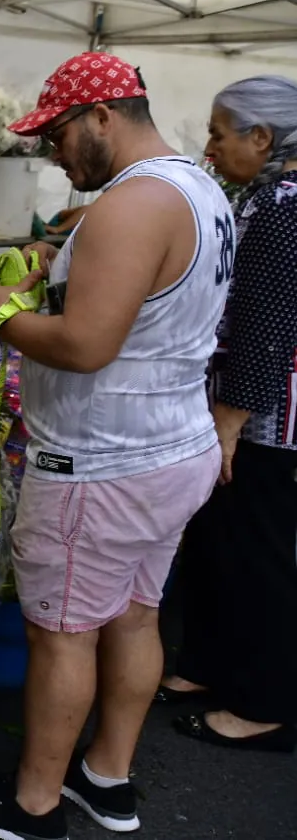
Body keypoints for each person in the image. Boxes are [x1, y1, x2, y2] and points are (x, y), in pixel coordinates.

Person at [0, 53, 233, 840]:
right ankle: (107, 777)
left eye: (58, 135)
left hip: (101, 462)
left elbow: (84, 344)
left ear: (103, 116)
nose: (53, 155)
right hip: (173, 446)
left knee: (60, 632)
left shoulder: (133, 206)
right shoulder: (201, 188)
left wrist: (0, 311)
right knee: (136, 617)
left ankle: (32, 804)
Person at [161, 75, 297, 754]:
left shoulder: (281, 204)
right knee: (218, 544)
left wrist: (229, 422)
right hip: (252, 409)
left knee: (257, 558)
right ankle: (205, 667)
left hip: (269, 421)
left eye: (218, 132)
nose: (210, 148)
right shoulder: (264, 197)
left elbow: (264, 328)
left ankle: (264, 704)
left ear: (260, 138)